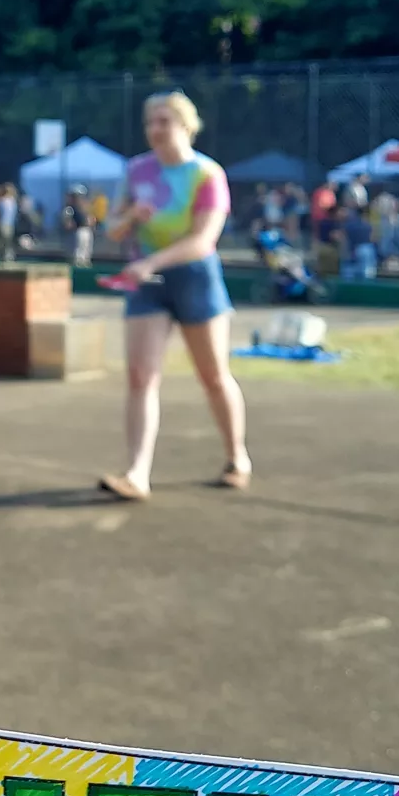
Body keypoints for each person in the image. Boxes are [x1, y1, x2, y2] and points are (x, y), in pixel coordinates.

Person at [99, 90, 250, 501]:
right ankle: (137, 473)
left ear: (186, 126)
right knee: (140, 376)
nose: (155, 130)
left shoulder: (206, 175)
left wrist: (151, 262)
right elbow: (111, 229)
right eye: (150, 122)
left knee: (213, 375)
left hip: (194, 277)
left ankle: (236, 457)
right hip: (146, 283)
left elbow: (203, 241)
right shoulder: (136, 171)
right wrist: (131, 216)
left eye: (164, 121)